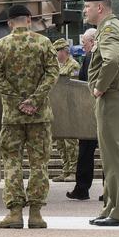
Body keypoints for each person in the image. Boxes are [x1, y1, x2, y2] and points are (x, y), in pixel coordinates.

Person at [0, 4, 58, 229]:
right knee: (39, 163)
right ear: (29, 19)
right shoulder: (44, 43)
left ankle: (15, 213)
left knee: (12, 162)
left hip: (12, 116)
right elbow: (52, 73)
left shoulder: (1, 46)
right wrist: (34, 100)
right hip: (40, 115)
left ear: (9, 23)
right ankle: (36, 214)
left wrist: (17, 101)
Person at [84, 0, 119, 227]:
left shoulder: (109, 29)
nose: (85, 10)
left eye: (87, 7)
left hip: (112, 97)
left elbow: (113, 60)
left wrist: (101, 87)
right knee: (113, 156)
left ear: (100, 8)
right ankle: (111, 207)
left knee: (114, 157)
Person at [67, 28, 100, 201]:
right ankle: (109, 190)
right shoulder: (105, 56)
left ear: (93, 41)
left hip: (90, 111)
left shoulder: (89, 58)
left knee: (86, 151)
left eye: (85, 43)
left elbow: (83, 84)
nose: (83, 46)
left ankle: (82, 188)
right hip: (105, 110)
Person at [51, 38, 79, 183]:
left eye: (57, 52)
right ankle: (65, 169)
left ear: (64, 51)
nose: (55, 55)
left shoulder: (73, 66)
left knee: (71, 142)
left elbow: (74, 88)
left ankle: (73, 171)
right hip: (58, 109)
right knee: (60, 142)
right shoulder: (57, 66)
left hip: (70, 109)